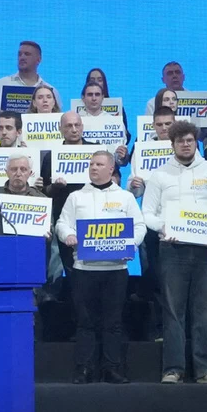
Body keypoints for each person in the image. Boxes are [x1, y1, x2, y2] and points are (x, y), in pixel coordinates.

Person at [145, 122, 207, 384]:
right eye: (180, 141)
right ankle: (173, 369)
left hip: (205, 249)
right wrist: (164, 226)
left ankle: (206, 369)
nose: (185, 144)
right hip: (172, 249)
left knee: (204, 310)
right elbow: (147, 213)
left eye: (190, 140)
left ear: (196, 142)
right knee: (173, 311)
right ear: (172, 144)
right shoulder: (160, 175)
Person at [57, 149, 147, 383]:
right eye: (91, 164)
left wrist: (131, 244)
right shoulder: (76, 196)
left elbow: (139, 226)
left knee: (113, 322)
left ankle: (112, 368)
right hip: (84, 269)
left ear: (111, 169)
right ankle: (84, 368)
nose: (93, 168)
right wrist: (68, 235)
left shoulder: (126, 197)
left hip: (116, 269)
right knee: (84, 321)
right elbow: (61, 223)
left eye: (99, 164)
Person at [0, 40, 59, 112]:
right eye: (19, 54)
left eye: (27, 54)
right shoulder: (0, 84)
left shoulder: (51, 91)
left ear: (38, 59)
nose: (22, 57)